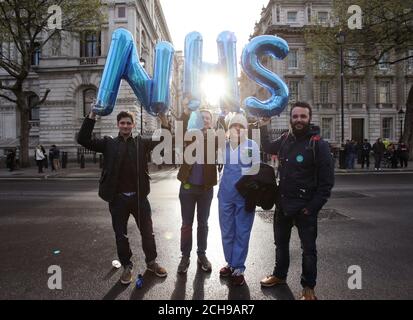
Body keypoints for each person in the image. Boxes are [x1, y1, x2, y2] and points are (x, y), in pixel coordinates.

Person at [77, 110, 168, 285]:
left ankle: (151, 263)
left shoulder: (141, 142)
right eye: (122, 123)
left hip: (139, 198)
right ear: (118, 125)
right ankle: (127, 266)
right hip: (117, 199)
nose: (125, 126)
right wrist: (92, 116)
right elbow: (83, 139)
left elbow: (164, 139)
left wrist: (163, 119)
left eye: (128, 123)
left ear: (133, 125)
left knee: (148, 233)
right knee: (121, 235)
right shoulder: (108, 143)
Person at [258, 101, 334, 300]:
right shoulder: (285, 139)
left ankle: (308, 288)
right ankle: (279, 276)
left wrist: (312, 208)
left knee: (308, 250)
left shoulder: (318, 144)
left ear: (309, 118)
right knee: (280, 245)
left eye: (303, 116)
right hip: (282, 205)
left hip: (305, 208)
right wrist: (264, 124)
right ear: (291, 119)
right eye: (295, 116)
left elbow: (326, 184)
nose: (299, 120)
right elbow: (266, 146)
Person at [218, 112, 260, 286]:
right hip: (225, 196)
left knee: (242, 233)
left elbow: (256, 171)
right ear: (229, 130)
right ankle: (230, 263)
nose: (237, 128)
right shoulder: (223, 146)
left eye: (241, 126)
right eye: (234, 125)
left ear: (246, 129)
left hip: (244, 198)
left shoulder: (252, 146)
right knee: (227, 232)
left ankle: (239, 268)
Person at [176, 99, 218, 274]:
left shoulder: (216, 137)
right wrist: (185, 112)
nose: (205, 120)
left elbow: (236, 135)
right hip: (187, 187)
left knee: (203, 224)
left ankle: (202, 254)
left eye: (208, 118)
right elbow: (177, 131)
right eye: (202, 118)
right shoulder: (189, 135)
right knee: (187, 224)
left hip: (206, 189)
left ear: (212, 121)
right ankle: (185, 257)